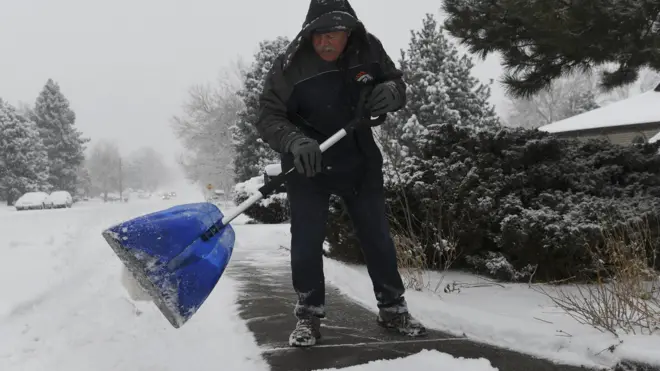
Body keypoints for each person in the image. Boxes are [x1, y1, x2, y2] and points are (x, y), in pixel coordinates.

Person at [254, 0, 427, 347]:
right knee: (305, 242)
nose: (325, 43)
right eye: (318, 35)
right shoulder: (290, 66)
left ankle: (392, 308)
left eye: (332, 35)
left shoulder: (369, 49)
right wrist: (294, 141)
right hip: (308, 162)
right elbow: (268, 117)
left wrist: (391, 93)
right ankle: (308, 314)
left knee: (377, 237)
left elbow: (397, 83)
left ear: (348, 32)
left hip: (358, 158)